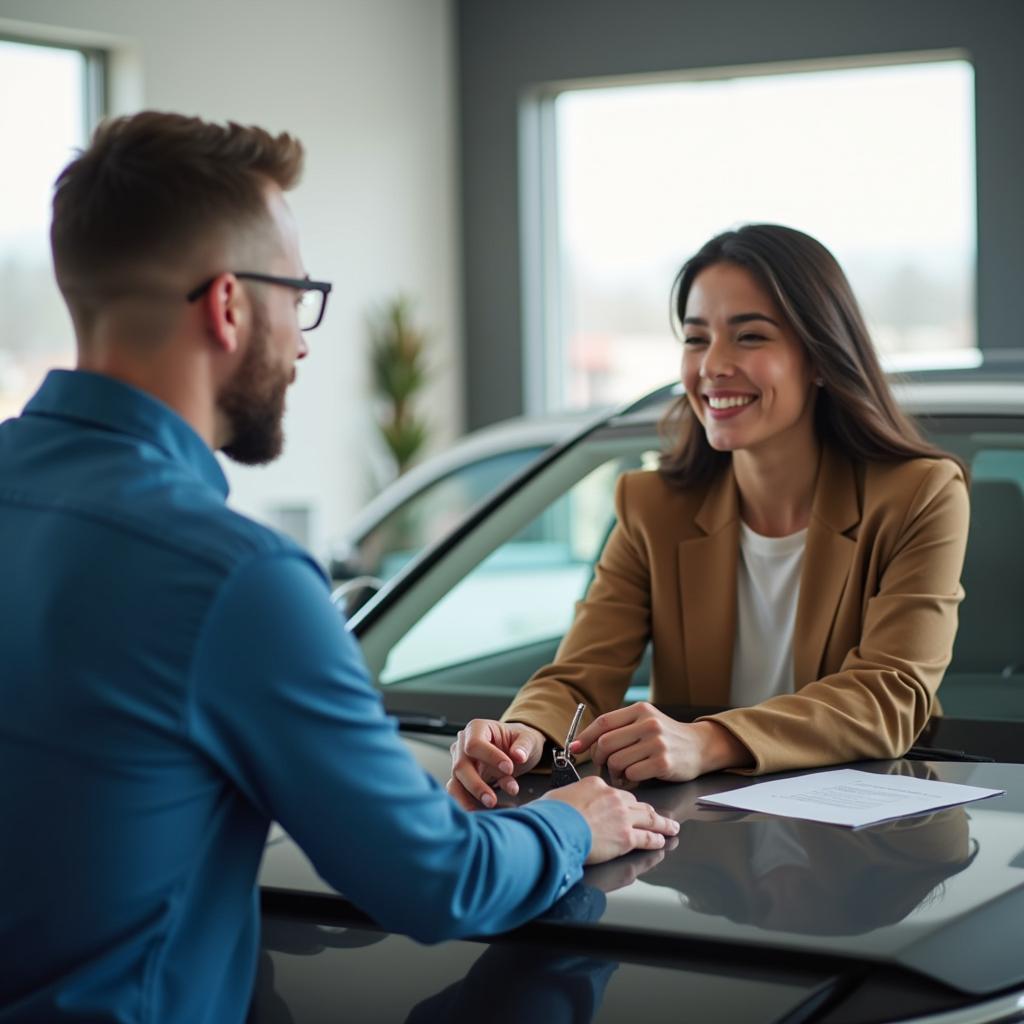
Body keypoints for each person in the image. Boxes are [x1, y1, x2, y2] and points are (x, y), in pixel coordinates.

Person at [0, 111, 678, 1024]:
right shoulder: (235, 579)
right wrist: (573, 822)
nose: (305, 339)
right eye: (298, 295)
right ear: (230, 305)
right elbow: (437, 881)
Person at [449, 224, 969, 807]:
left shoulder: (920, 494)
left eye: (749, 337)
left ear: (820, 357)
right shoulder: (653, 506)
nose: (713, 365)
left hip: (877, 830)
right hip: (700, 835)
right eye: (697, 339)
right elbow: (581, 675)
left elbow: (888, 696)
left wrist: (709, 740)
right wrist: (524, 736)